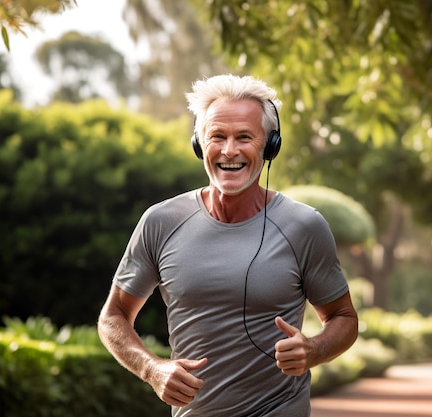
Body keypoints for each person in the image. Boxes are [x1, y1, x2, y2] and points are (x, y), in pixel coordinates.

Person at [97, 74, 358, 417]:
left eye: (244, 137)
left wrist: (314, 350)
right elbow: (113, 316)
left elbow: (344, 318)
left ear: (269, 146)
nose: (229, 150)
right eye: (217, 136)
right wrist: (152, 369)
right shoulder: (160, 222)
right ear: (199, 144)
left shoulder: (304, 226)